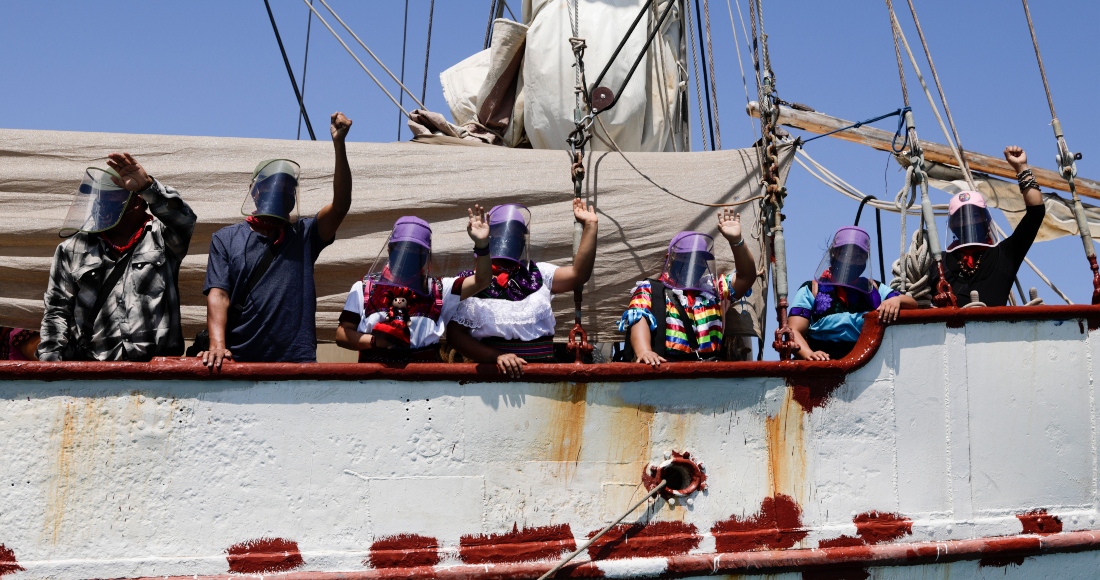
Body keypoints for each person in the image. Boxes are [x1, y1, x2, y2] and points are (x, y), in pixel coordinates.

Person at [201, 112, 353, 367]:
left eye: (287, 188)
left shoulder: (304, 235)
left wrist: (339, 145)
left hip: (296, 362)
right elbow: (219, 295)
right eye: (272, 186)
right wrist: (217, 345)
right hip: (239, 359)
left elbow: (341, 205)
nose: (281, 192)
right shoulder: (225, 238)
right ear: (256, 192)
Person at [37, 154, 197, 361]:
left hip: (158, 374)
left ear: (137, 201)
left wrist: (147, 187)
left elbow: (184, 219)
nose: (101, 202)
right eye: (99, 195)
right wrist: (50, 364)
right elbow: (57, 312)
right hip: (94, 372)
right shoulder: (72, 249)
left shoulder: (164, 238)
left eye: (111, 196)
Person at [445, 198, 598, 378]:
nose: (510, 239)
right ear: (490, 236)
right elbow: (455, 335)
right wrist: (496, 356)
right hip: (494, 378)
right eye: (504, 233)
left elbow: (578, 274)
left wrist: (590, 225)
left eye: (518, 235)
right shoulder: (473, 282)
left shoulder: (537, 273)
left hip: (543, 376)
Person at [335, 209, 493, 362]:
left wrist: (482, 245)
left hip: (424, 379)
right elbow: (342, 334)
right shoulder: (364, 287)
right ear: (390, 250)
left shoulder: (438, 289)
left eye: (418, 251)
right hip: (375, 380)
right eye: (404, 249)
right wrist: (376, 342)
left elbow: (482, 280)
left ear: (426, 255)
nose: (409, 256)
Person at [618, 209, 757, 367]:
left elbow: (747, 276)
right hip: (663, 368)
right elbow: (638, 318)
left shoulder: (714, 291)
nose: (694, 264)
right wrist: (644, 351)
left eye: (699, 259)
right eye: (686, 258)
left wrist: (736, 241)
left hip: (709, 371)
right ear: (670, 260)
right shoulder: (650, 289)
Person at [933, 146, 1046, 307]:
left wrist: (1021, 168)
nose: (968, 222)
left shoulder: (1005, 255)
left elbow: (1036, 212)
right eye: (961, 217)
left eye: (974, 215)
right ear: (952, 224)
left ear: (985, 219)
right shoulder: (938, 264)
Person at [789, 226, 917, 361]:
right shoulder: (812, 288)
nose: (853, 260)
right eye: (848, 254)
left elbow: (912, 304)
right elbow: (794, 330)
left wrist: (896, 300)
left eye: (859, 256)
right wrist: (808, 354)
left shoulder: (874, 288)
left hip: (868, 360)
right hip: (822, 362)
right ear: (835, 253)